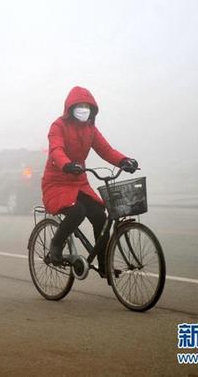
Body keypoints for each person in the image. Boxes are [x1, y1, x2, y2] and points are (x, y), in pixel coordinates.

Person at [41, 86, 138, 276]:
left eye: (87, 105)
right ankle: (56, 245)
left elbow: (106, 150)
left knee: (101, 216)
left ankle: (104, 265)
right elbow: (56, 150)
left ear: (93, 109)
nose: (84, 109)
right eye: (80, 105)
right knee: (77, 211)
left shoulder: (90, 129)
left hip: (79, 183)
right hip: (57, 182)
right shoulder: (58, 126)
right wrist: (66, 164)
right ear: (70, 107)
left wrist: (124, 160)